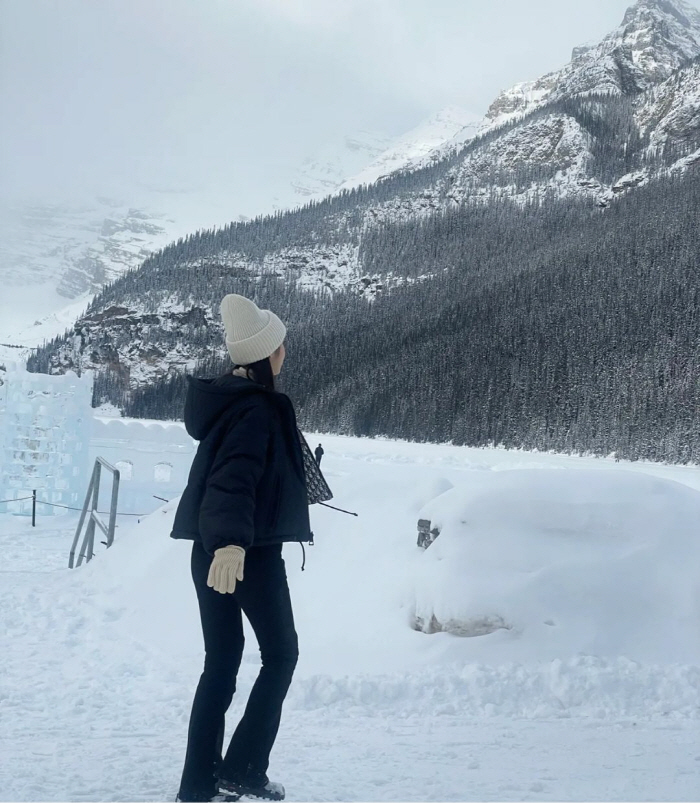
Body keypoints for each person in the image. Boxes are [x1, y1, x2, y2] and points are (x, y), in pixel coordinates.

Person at [171, 294, 313, 803]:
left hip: (211, 550)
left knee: (221, 664)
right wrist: (232, 545)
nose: (284, 354)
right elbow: (232, 481)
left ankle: (197, 785)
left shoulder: (231, 402)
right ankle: (244, 768)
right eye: (280, 347)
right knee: (281, 654)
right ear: (265, 354)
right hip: (244, 552)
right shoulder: (256, 410)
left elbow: (235, 478)